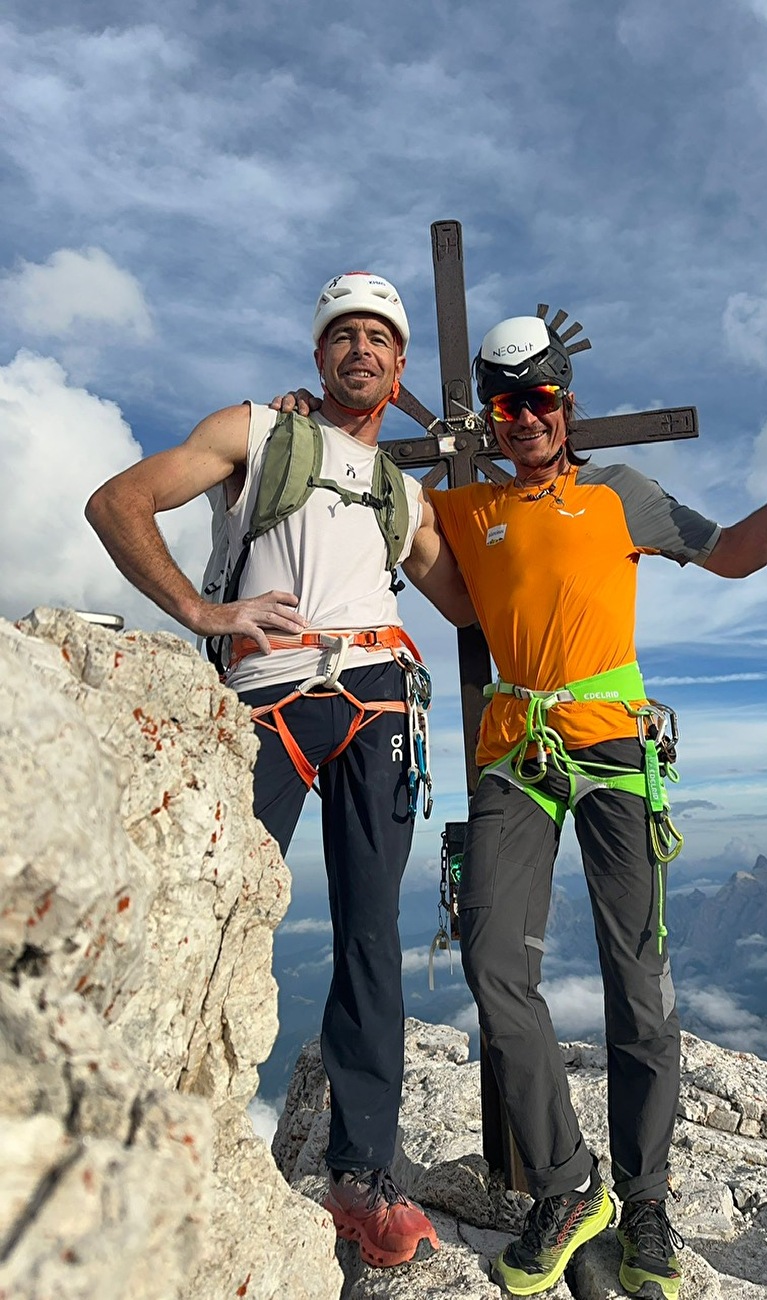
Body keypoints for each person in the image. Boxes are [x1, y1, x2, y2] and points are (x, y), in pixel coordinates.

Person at [424, 315, 767, 1297]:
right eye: (507, 403)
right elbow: (421, 566)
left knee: (640, 983)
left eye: (540, 398)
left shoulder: (619, 495)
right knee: (496, 962)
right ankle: (570, 1185)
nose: (526, 417)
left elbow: (735, 555)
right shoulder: (462, 507)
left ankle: (648, 1199)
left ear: (565, 408)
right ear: (491, 417)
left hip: (617, 750)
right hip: (516, 754)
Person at [85, 272, 474, 1271]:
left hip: (382, 702)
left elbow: (472, 607)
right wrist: (205, 613)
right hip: (273, 696)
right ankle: (139, 1143)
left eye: (379, 338)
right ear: (319, 355)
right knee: (207, 914)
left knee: (373, 941)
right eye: (343, 335)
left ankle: (363, 1179)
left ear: (396, 365)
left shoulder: (403, 493)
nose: (361, 349)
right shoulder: (258, 432)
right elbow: (119, 502)